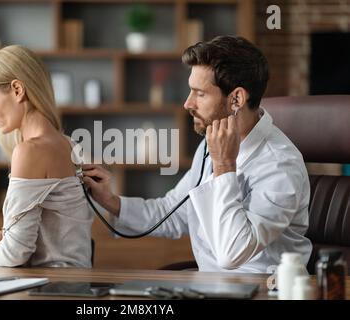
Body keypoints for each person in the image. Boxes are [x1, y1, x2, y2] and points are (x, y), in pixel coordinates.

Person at [82, 36, 312, 273]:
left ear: (236, 99)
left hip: (261, 289)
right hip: (212, 287)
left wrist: (224, 165)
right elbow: (172, 212)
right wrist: (109, 200)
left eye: (199, 93)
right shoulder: (210, 145)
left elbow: (232, 254)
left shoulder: (279, 165)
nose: (187, 103)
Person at [0, 45, 93, 268]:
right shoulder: (69, 144)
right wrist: (1, 236)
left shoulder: (31, 151)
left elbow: (16, 252)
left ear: (17, 90)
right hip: (73, 280)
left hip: (51, 287)